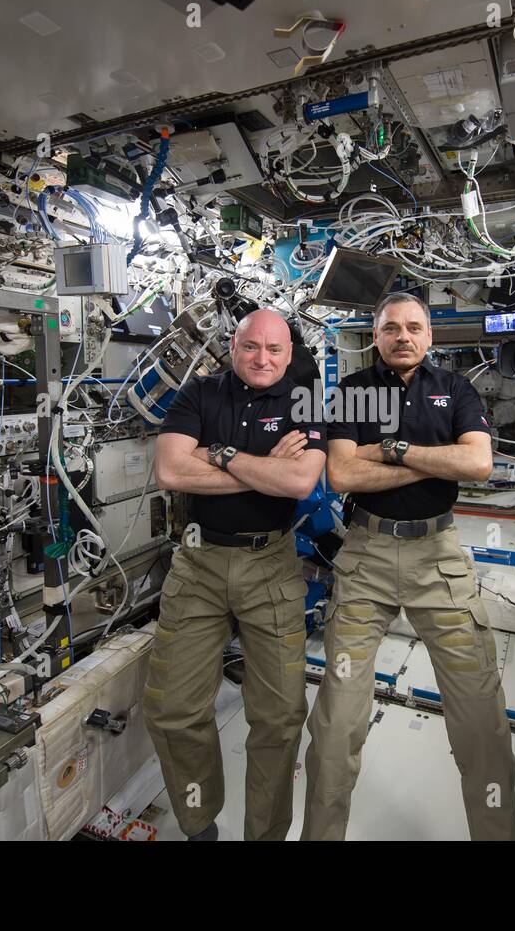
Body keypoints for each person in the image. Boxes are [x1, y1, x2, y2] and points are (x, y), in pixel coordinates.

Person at [302, 291, 515, 841]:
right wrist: (431, 459)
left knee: (480, 717)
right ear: (375, 335)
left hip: (438, 559)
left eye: (415, 327)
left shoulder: (456, 388)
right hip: (366, 557)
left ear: (430, 335)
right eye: (391, 328)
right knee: (335, 720)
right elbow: (344, 477)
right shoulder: (353, 391)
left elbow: (476, 462)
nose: (404, 336)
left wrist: (390, 450)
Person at [146, 308, 326, 841]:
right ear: (233, 346)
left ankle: (264, 834)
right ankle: (199, 825)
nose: (262, 359)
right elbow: (171, 470)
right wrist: (260, 468)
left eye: (275, 350)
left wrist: (220, 454)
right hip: (197, 564)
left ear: (290, 353)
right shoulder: (199, 393)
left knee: (277, 717)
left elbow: (297, 480)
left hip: (269, 563)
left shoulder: (305, 399)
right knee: (172, 709)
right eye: (251, 347)